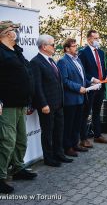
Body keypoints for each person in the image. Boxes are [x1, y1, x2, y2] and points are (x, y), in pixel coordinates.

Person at [0, 21, 37, 194]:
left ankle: (17, 168)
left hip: (21, 103)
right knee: (7, 141)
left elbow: (26, 74)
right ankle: (0, 177)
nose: (17, 33)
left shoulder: (16, 50)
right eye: (14, 30)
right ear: (7, 33)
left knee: (21, 139)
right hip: (6, 105)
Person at [31, 34, 72, 167]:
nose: (55, 47)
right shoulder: (36, 62)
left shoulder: (51, 60)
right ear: (44, 46)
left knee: (59, 130)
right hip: (47, 105)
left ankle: (59, 153)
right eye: (53, 45)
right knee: (48, 132)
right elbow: (37, 86)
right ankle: (48, 158)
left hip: (58, 103)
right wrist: (43, 103)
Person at [57, 38, 91, 157]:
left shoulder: (78, 59)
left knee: (77, 123)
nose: (77, 47)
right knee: (69, 125)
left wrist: (91, 82)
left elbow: (82, 77)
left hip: (81, 98)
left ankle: (75, 144)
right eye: (74, 46)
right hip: (70, 99)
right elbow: (64, 81)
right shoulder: (63, 61)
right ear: (67, 48)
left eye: (76, 45)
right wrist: (78, 88)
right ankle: (68, 147)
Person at [78, 30, 107, 146]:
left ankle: (97, 135)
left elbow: (103, 67)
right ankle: (83, 138)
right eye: (95, 38)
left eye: (98, 38)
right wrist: (92, 79)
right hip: (90, 87)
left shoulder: (101, 52)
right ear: (89, 39)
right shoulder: (83, 53)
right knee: (86, 113)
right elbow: (82, 71)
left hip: (101, 86)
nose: (98, 40)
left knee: (97, 112)